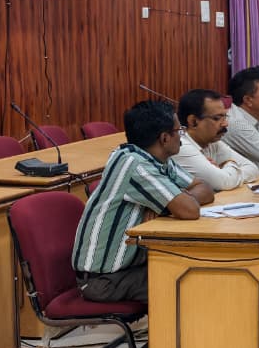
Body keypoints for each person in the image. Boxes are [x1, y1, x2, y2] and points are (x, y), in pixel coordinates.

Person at [72, 100, 215, 302]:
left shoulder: (157, 159)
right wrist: (175, 201)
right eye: (179, 131)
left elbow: (206, 189)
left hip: (129, 270)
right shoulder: (135, 164)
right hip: (104, 281)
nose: (182, 137)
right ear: (164, 138)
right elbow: (190, 210)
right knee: (197, 281)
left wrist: (171, 202)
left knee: (201, 270)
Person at [173, 89, 259, 191]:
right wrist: (229, 163)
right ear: (193, 121)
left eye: (225, 117)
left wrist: (223, 171)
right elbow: (224, 182)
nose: (225, 124)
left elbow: (253, 169)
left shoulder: (213, 142)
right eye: (217, 118)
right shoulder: (181, 147)